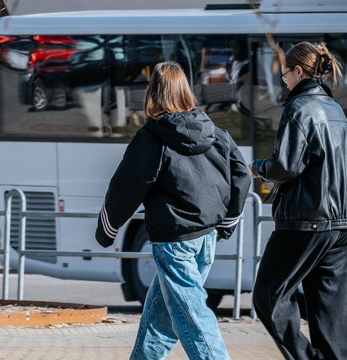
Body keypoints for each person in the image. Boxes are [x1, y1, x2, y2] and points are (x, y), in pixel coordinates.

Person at [94, 61, 251, 360]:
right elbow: (241, 175)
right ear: (185, 91)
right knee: (160, 319)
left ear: (153, 93)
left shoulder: (152, 138)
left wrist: (107, 230)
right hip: (207, 238)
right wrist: (228, 223)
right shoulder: (216, 133)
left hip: (174, 242)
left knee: (193, 318)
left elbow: (125, 186)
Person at [249, 42, 347, 360]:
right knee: (332, 307)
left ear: (298, 72)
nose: (283, 80)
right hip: (344, 224)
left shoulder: (299, 108)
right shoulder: (336, 111)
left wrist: (258, 168)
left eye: (284, 73)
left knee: (269, 295)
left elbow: (286, 166)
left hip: (306, 220)